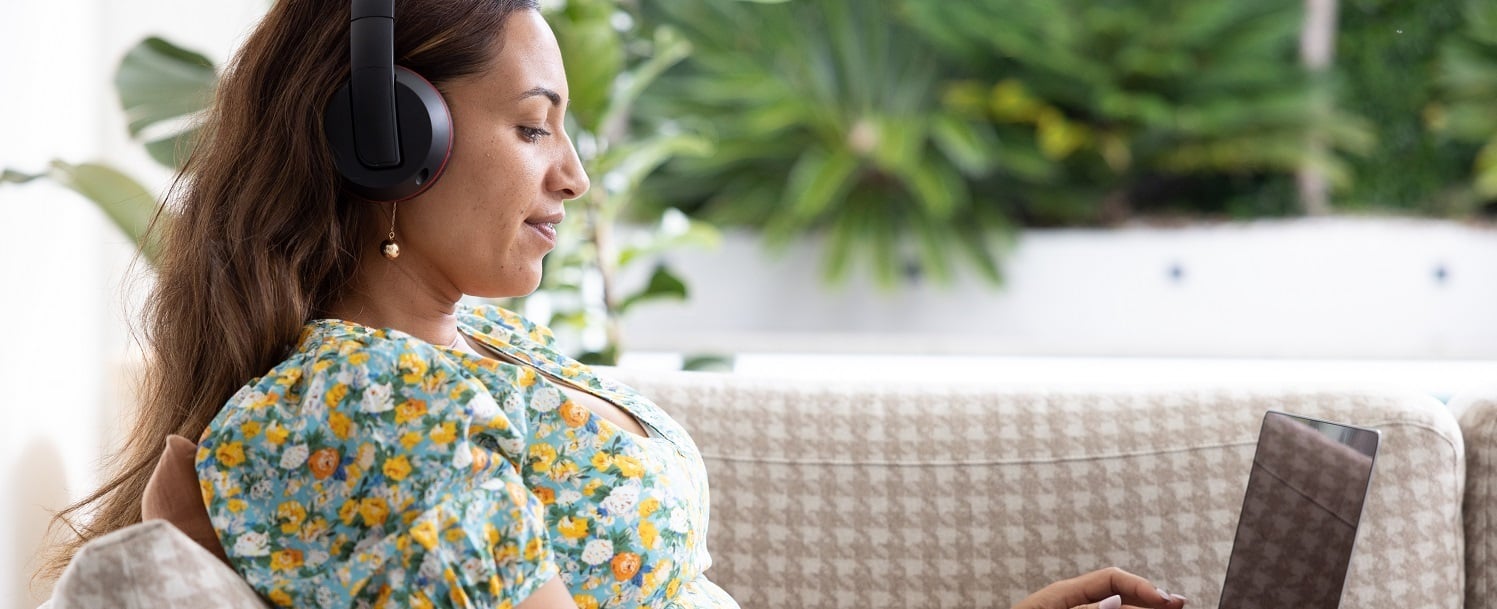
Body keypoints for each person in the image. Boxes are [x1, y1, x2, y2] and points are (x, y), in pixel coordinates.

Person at [41, 2, 1190, 608]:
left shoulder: (469, 348)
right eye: (535, 126)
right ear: (386, 141)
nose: (574, 175)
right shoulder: (363, 409)